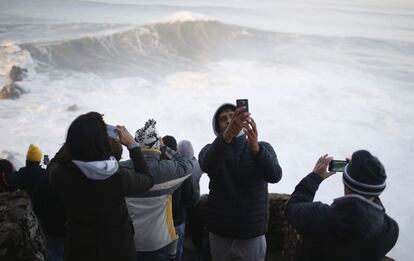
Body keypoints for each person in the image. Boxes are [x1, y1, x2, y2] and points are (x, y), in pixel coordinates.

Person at [48, 112, 154, 261]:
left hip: (80, 251)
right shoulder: (119, 177)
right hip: (120, 250)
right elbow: (148, 179)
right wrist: (133, 145)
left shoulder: (62, 176)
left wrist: (75, 141)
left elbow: (53, 164)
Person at [199, 103, 283, 261]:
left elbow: (275, 175)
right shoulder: (210, 150)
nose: (230, 120)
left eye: (233, 115)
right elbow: (207, 164)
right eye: (224, 119)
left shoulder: (262, 147)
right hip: (220, 232)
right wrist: (229, 134)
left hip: (251, 233)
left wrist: (257, 150)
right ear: (218, 128)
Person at [286, 151, 399, 261]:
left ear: (345, 181)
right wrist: (369, 186)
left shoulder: (317, 217)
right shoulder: (390, 231)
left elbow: (292, 207)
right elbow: (378, 212)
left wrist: (315, 176)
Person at [123, 119, 193, 261]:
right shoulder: (167, 170)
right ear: (156, 145)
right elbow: (187, 164)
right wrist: (164, 147)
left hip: (129, 240)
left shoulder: (121, 169)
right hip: (160, 241)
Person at [162, 136, 199, 261]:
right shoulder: (183, 170)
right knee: (176, 253)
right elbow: (192, 198)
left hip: (157, 223)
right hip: (178, 220)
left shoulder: (155, 169)